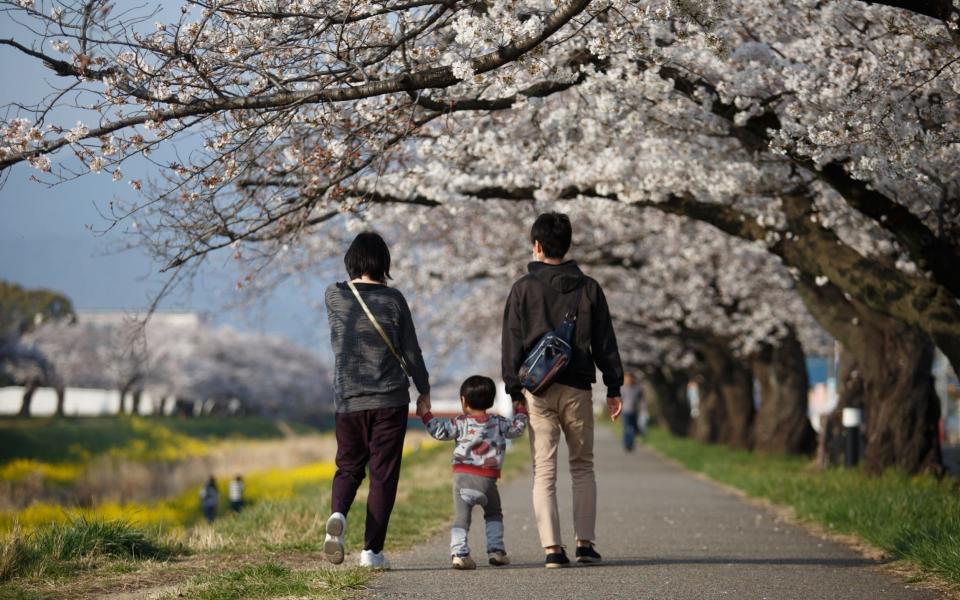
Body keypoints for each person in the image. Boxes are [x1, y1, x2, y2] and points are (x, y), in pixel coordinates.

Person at [502, 212, 624, 568]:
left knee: (544, 469)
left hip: (537, 391)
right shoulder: (589, 288)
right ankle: (585, 544)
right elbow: (605, 341)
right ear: (568, 244)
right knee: (583, 466)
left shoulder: (523, 288)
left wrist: (513, 391)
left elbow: (511, 342)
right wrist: (614, 384)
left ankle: (552, 550)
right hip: (578, 388)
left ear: (536, 246)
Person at [323, 231, 431, 570]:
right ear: (384, 263)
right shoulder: (393, 300)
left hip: (349, 401)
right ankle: (371, 552)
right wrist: (423, 390)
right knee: (382, 475)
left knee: (349, 466)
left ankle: (338, 513)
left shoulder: (334, 296)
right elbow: (411, 351)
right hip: (389, 400)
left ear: (351, 261)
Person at [417, 375, 528, 570]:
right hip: (487, 482)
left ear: (463, 401)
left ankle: (459, 554)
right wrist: (520, 409)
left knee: (461, 518)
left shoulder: (459, 423)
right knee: (494, 513)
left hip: (462, 481)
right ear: (491, 401)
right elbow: (517, 429)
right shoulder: (499, 422)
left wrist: (425, 413)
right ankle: (496, 551)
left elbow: (438, 430)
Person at [621, 373, 643, 452]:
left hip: (634, 411)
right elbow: (620, 400)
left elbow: (641, 399)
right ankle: (627, 444)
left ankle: (631, 443)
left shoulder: (637, 388)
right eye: (627, 379)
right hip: (625, 412)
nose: (629, 380)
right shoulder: (622, 389)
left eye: (630, 378)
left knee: (633, 429)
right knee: (627, 428)